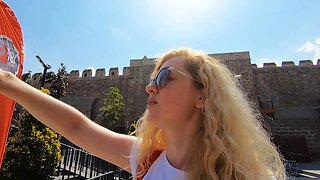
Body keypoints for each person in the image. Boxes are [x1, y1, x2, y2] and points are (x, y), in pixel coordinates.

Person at [0, 48, 286, 179]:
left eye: (163, 78)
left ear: (203, 95)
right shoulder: (148, 161)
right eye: (151, 80)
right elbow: (77, 128)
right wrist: (10, 83)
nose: (150, 88)